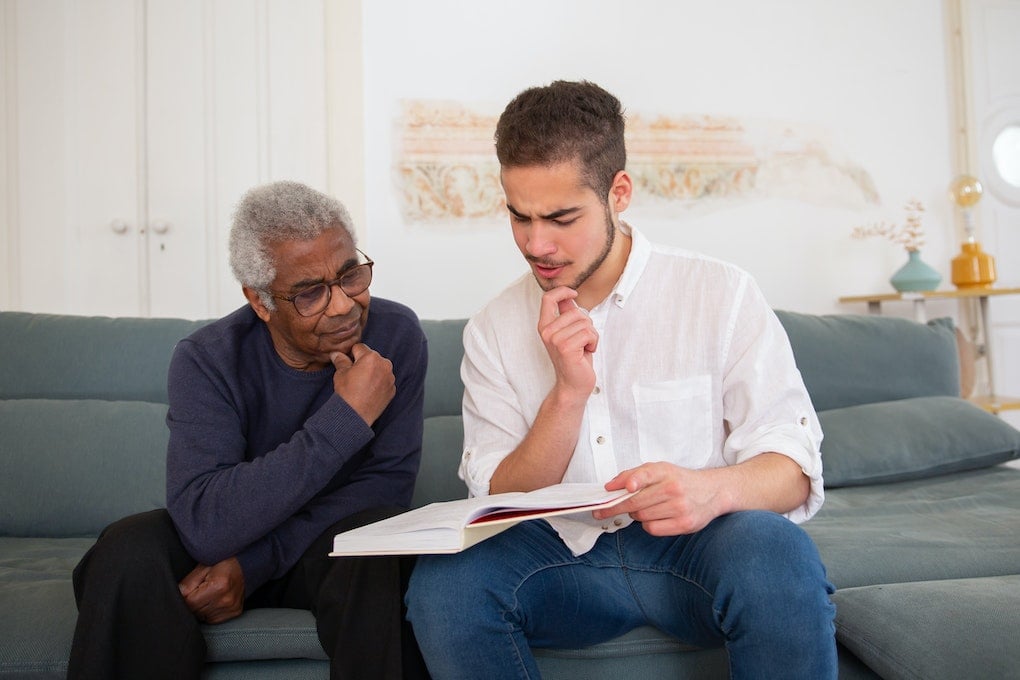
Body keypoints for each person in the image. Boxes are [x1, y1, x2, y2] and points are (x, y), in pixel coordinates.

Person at [405, 80, 836, 679]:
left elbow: (793, 465)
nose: (536, 243)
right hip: (559, 562)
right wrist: (569, 394)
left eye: (560, 218)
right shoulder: (493, 328)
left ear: (619, 192)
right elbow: (497, 499)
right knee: (443, 582)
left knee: (775, 554)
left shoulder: (720, 293)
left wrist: (713, 490)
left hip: (697, 551)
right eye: (519, 216)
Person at [68, 180, 430, 680]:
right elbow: (205, 523)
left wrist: (253, 564)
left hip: (329, 552)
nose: (345, 305)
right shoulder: (207, 358)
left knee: (377, 546)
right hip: (222, 541)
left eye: (350, 276)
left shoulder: (396, 336)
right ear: (260, 303)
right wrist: (346, 418)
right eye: (310, 294)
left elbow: (386, 487)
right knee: (127, 548)